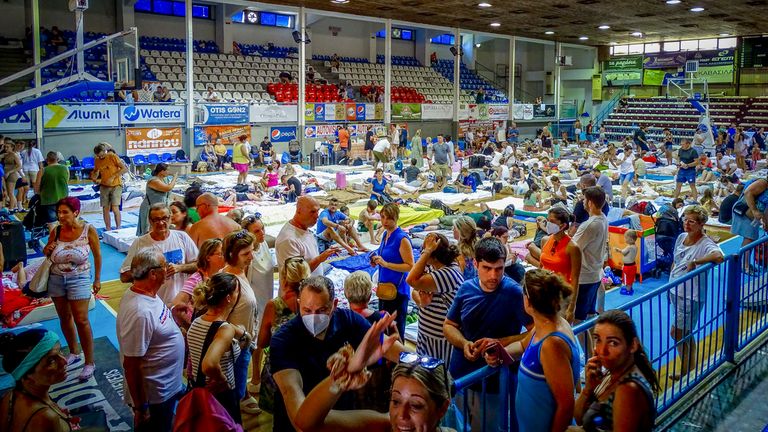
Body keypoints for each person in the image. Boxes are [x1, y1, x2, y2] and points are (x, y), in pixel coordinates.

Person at [270, 275, 405, 431]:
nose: (313, 318)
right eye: (307, 310)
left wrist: (423, 363)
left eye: (321, 310)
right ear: (298, 304)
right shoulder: (283, 340)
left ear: (334, 305)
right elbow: (299, 418)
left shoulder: (347, 320)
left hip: (341, 415)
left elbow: (387, 346)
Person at [291, 313, 451, 432]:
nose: (401, 415)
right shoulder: (383, 425)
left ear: (442, 408)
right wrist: (344, 376)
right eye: (395, 401)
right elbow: (306, 423)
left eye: (416, 405)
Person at [443, 237, 532, 431]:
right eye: (487, 268)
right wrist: (464, 343)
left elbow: (535, 332)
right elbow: (449, 325)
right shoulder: (466, 288)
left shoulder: (513, 293)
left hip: (494, 382)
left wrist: (502, 342)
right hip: (460, 376)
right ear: (475, 264)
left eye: (499, 269)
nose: (493, 275)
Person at [482, 269, 578, 432]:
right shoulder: (544, 325)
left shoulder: (551, 344)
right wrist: (500, 353)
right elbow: (522, 346)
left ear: (529, 302)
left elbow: (566, 404)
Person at [117, 248, 185, 432]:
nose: (168, 267)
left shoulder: (147, 295)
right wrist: (141, 408)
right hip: (155, 396)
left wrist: (173, 316)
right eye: (164, 265)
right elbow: (131, 365)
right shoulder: (140, 312)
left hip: (165, 387)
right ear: (153, 274)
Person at [42, 197, 101, 381]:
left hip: (80, 277)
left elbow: (98, 255)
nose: (60, 216)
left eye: (65, 212)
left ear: (76, 212)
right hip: (57, 278)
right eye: (59, 212)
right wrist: (48, 248)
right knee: (64, 317)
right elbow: (47, 252)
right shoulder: (57, 230)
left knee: (81, 319)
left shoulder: (88, 230)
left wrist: (97, 279)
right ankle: (74, 351)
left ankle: (89, 362)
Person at [575, 310, 660, 431]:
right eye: (598, 340)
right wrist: (588, 389)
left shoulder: (628, 390)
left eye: (613, 343)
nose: (602, 350)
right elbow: (578, 418)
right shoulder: (611, 373)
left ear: (632, 345)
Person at [669, 205, 724, 380]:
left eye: (691, 221)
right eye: (685, 219)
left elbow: (719, 256)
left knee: (677, 333)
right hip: (675, 292)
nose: (687, 224)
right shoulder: (681, 237)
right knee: (685, 333)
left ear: (701, 224)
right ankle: (689, 371)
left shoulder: (706, 243)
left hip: (690, 296)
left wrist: (696, 262)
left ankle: (688, 371)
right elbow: (676, 261)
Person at [188, 273, 250, 424]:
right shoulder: (225, 329)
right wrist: (222, 381)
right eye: (237, 291)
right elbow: (209, 364)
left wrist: (239, 331)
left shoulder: (197, 321)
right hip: (220, 396)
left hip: (197, 389)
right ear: (229, 298)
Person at [255, 256, 310, 412]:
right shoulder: (313, 304)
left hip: (279, 372)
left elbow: (262, 342)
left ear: (284, 278)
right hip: (307, 369)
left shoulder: (275, 306)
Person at [218, 230, 261, 414]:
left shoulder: (241, 272)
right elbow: (219, 320)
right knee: (232, 398)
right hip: (235, 348)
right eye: (246, 254)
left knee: (238, 390)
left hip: (244, 343)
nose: (251, 257)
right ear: (231, 255)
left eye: (252, 251)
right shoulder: (229, 282)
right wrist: (242, 335)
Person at [120, 203, 199, 303]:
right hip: (151, 303)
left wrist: (180, 268)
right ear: (150, 221)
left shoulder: (182, 237)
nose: (161, 223)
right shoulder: (140, 243)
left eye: (164, 218)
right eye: (156, 219)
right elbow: (124, 276)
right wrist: (150, 273)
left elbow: (199, 265)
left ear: (170, 218)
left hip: (179, 303)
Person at [0, 329, 73, 432]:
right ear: (27, 374)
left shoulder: (10, 396)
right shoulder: (46, 418)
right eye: (51, 361)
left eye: (60, 351)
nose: (64, 361)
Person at [406, 233, 463, 364]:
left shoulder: (447, 273)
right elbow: (415, 290)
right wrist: (422, 302)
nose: (421, 252)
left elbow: (411, 280)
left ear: (433, 255)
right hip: (426, 334)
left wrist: (427, 251)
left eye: (424, 249)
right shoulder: (432, 267)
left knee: (437, 376)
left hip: (441, 340)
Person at [372, 203, 415, 338]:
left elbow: (409, 265)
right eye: (383, 217)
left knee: (395, 328)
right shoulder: (386, 234)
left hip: (397, 289)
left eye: (388, 218)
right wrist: (375, 260)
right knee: (384, 325)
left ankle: (397, 356)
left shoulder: (401, 238)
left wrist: (386, 264)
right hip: (384, 287)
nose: (384, 221)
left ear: (396, 218)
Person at [276, 196, 341, 277]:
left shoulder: (304, 228)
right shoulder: (289, 240)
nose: (317, 216)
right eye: (312, 212)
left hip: (313, 284)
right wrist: (320, 258)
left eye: (317, 211)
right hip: (301, 289)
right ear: (299, 210)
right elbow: (296, 275)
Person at [170, 238, 226, 329]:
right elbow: (176, 304)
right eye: (221, 254)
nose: (225, 257)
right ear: (208, 257)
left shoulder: (221, 275)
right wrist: (189, 327)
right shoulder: (196, 278)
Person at [530, 207, 582, 302]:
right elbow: (542, 266)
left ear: (562, 225)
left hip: (562, 293)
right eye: (548, 220)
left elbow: (575, 279)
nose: (548, 224)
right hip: (545, 290)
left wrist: (572, 306)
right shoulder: (545, 240)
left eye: (552, 221)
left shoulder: (573, 247)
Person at [91, 142, 128, 231]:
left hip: (116, 185)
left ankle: (118, 227)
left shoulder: (112, 156)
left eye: (101, 156)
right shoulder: (97, 159)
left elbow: (124, 169)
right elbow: (95, 171)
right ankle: (108, 228)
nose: (100, 158)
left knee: (115, 208)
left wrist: (113, 177)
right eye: (98, 156)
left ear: (105, 151)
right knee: (105, 208)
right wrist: (95, 178)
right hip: (104, 185)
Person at [137, 163, 178, 236]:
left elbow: (168, 192)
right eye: (167, 170)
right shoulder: (153, 181)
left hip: (161, 208)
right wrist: (175, 177)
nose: (169, 172)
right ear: (162, 171)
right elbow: (167, 188)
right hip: (150, 208)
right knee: (149, 229)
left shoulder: (165, 179)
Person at [38, 151, 69, 223]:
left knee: (52, 223)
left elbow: (37, 188)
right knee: (63, 221)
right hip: (63, 198)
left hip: (48, 199)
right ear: (57, 159)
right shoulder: (65, 168)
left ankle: (54, 234)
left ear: (47, 160)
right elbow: (66, 183)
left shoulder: (42, 170)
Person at [19, 140, 43, 208]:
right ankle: (36, 198)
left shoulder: (23, 151)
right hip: (34, 169)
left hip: (25, 169)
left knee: (26, 186)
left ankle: (24, 199)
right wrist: (41, 169)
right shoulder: (37, 151)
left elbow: (21, 161)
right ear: (35, 145)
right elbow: (40, 162)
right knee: (36, 185)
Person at [616, 230, 639, 295]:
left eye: (626, 238)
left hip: (628, 267)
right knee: (631, 278)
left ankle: (628, 290)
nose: (625, 240)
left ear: (631, 239)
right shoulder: (635, 246)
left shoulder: (629, 247)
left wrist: (619, 250)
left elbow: (624, 252)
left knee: (627, 278)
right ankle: (630, 288)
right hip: (633, 265)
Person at [2, 140, 22, 212]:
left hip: (12, 174)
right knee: (8, 192)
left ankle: (11, 208)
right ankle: (15, 206)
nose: (6, 148)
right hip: (6, 173)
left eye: (7, 147)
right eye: (5, 147)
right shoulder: (6, 155)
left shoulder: (14, 155)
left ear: (12, 147)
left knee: (11, 192)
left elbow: (19, 166)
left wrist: (10, 172)